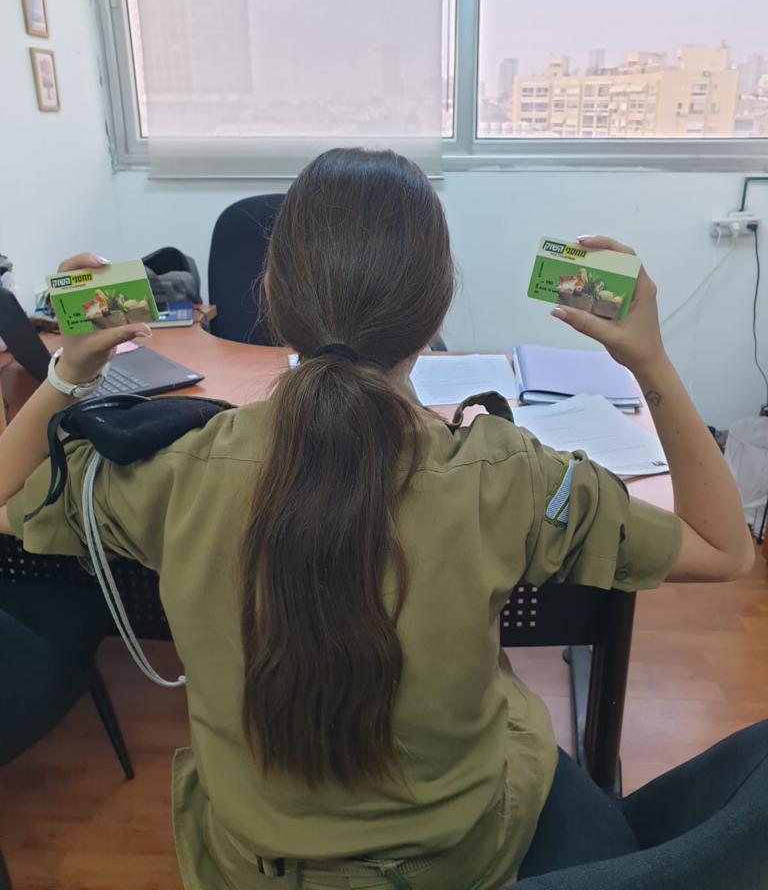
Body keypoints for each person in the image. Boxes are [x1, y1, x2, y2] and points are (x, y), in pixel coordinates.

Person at [0, 148, 760, 889]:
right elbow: (725, 549)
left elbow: (5, 499)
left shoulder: (177, 470)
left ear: (271, 292)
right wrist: (650, 359)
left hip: (251, 866)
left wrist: (69, 371)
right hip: (462, 858)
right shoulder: (508, 477)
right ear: (437, 306)